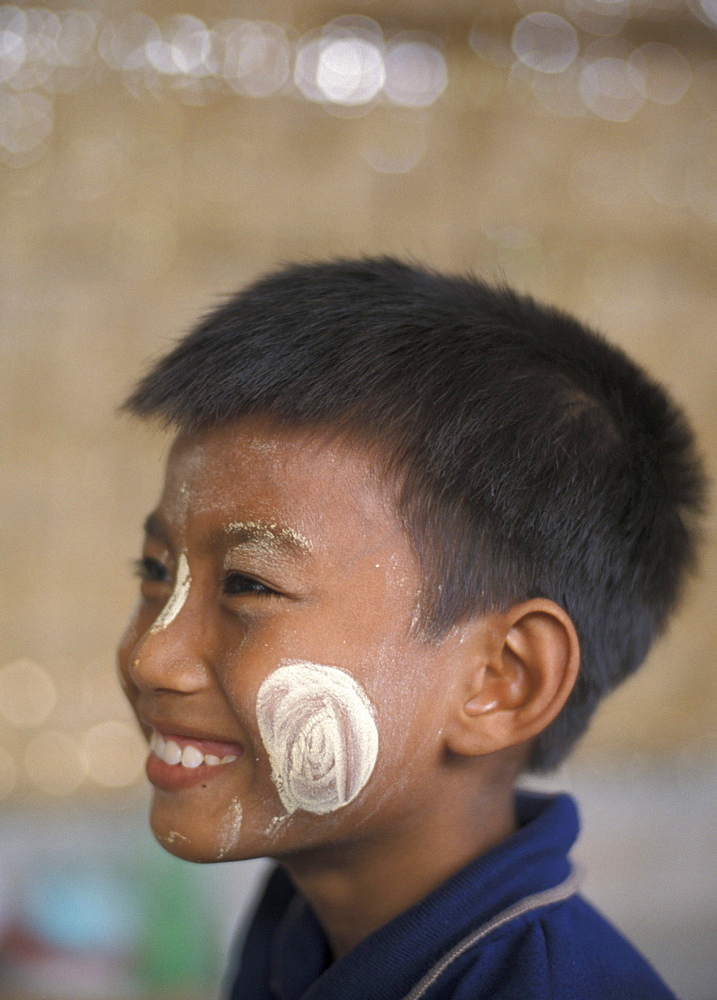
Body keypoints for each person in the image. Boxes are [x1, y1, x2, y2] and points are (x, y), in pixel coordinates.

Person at [118, 258, 705, 999]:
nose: (151, 656)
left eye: (248, 584)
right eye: (155, 574)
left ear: (500, 681)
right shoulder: (305, 921)